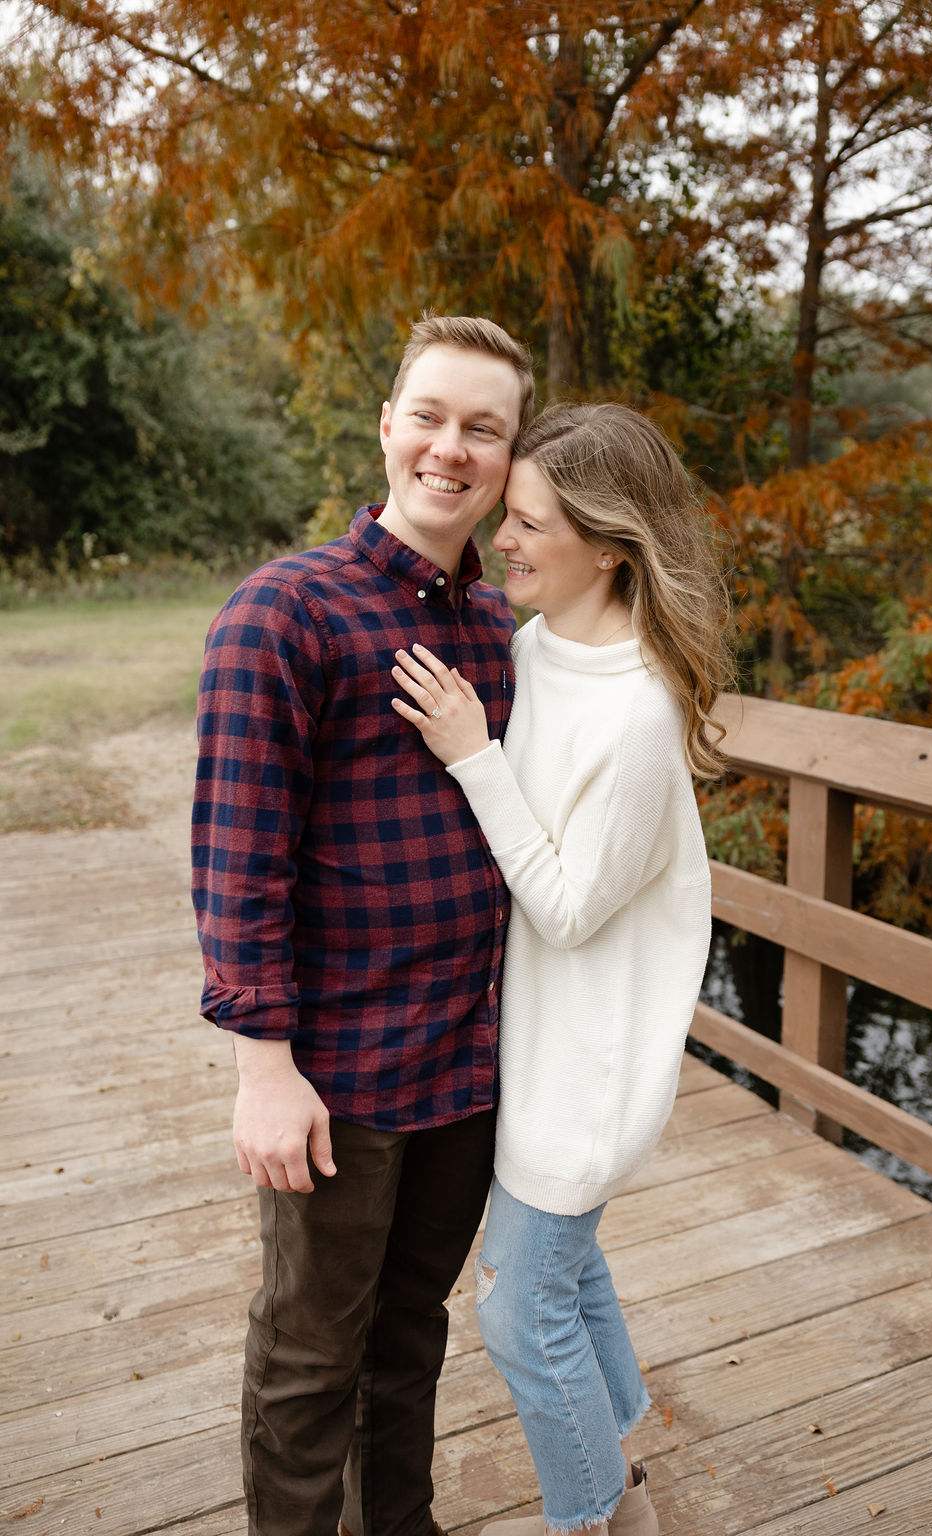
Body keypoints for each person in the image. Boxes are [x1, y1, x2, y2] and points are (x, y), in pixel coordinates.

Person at [191, 314, 535, 1536]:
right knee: (309, 1348)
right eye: (429, 417)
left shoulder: (498, 630)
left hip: (467, 1064)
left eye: (483, 429)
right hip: (338, 1072)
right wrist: (263, 1071)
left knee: (410, 1333)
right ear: (388, 427)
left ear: (509, 457)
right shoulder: (284, 612)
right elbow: (238, 861)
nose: (451, 448)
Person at [391, 401, 732, 1536]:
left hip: (587, 1066)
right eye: (512, 515)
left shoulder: (637, 715)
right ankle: (624, 1462)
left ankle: (595, 1514)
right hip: (522, 1046)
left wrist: (474, 759)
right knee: (566, 1272)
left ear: (611, 547)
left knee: (515, 1306)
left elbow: (574, 910)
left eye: (532, 524)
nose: (504, 540)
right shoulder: (530, 647)